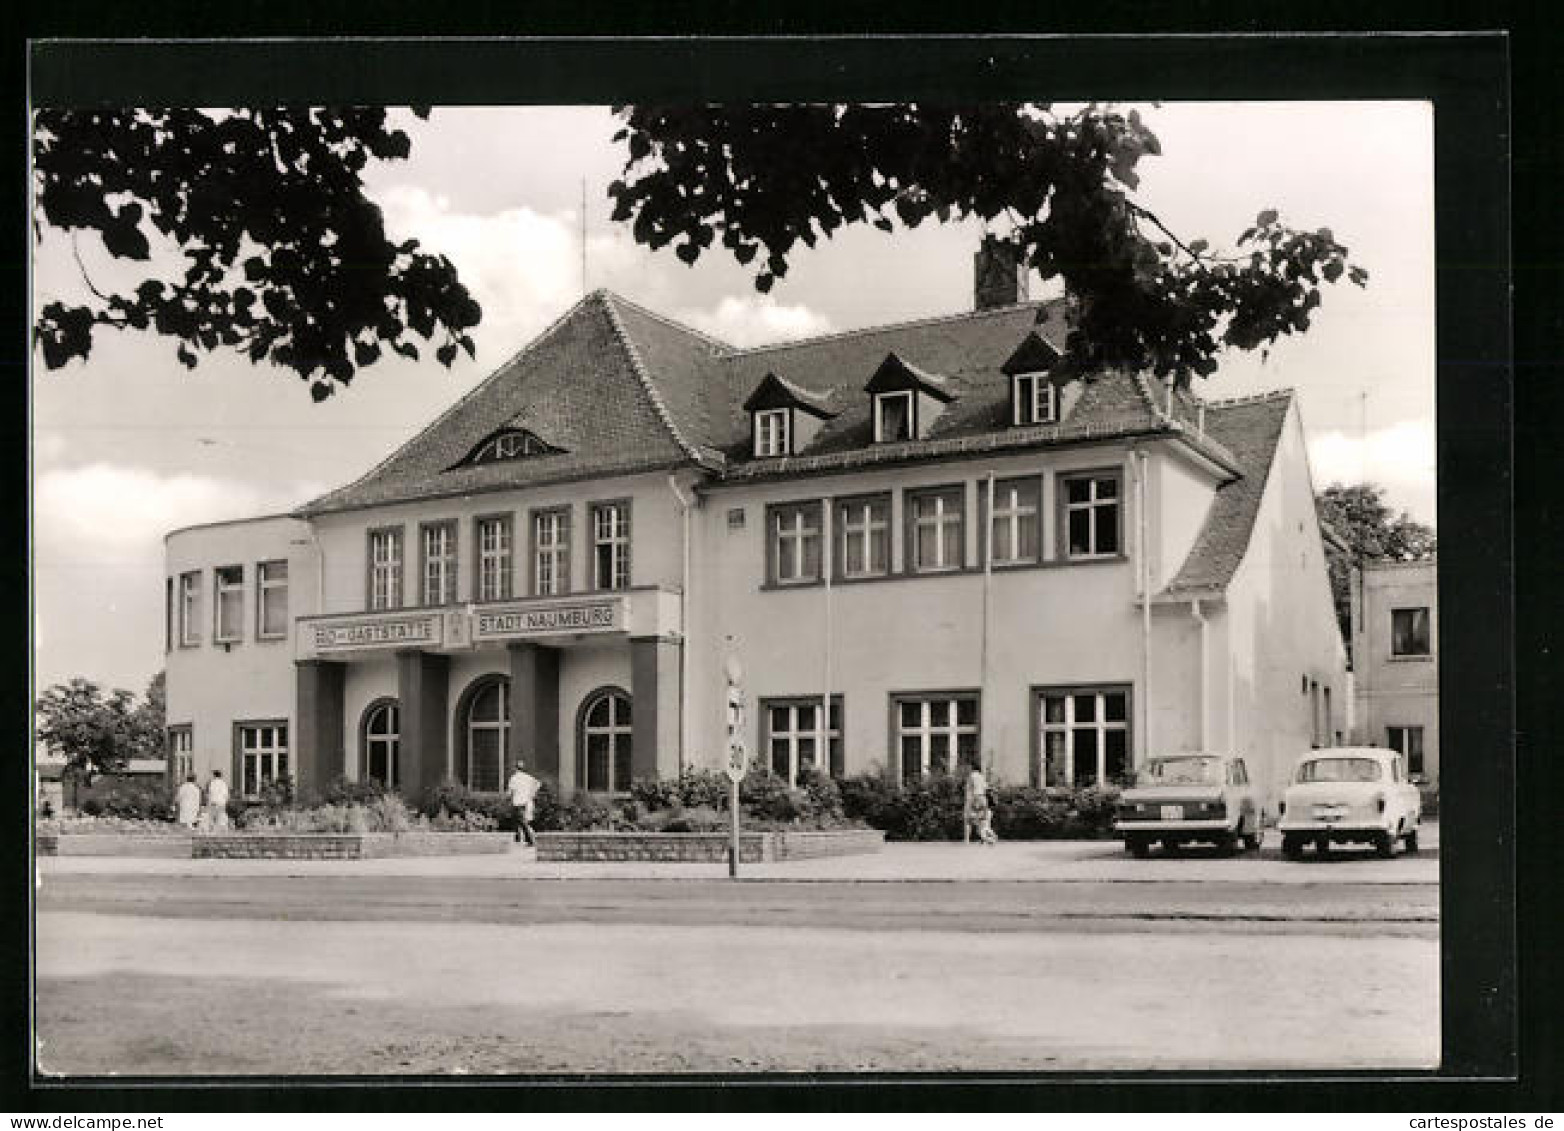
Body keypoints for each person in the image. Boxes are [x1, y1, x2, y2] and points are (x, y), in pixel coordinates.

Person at [506, 759, 541, 847]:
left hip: (518, 802)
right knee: (521, 821)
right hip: (527, 801)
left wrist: (507, 796)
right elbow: (538, 783)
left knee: (521, 822)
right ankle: (519, 839)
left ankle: (529, 840)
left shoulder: (513, 778)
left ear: (515, 768)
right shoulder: (528, 777)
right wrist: (532, 793)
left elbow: (509, 792)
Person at [963, 764, 991, 845]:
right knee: (983, 820)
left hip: (973, 798)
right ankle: (984, 838)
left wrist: (971, 800)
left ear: (972, 768)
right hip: (982, 798)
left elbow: (970, 788)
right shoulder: (982, 777)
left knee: (968, 820)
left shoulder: (972, 776)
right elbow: (986, 788)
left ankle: (967, 840)